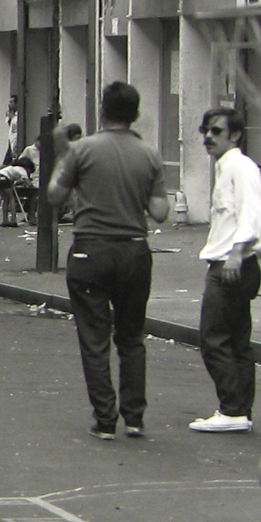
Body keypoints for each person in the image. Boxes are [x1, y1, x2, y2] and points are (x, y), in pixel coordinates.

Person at [43, 81, 171, 440]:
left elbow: (55, 195)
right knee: (131, 337)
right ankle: (134, 417)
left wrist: (61, 154)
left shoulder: (82, 150)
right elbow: (160, 211)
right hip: (134, 250)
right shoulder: (149, 154)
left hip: (90, 249)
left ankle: (105, 418)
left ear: (102, 109)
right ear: (136, 113)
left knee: (94, 338)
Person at [190, 106, 261, 434]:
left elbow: (251, 210)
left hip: (230, 263)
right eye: (205, 130)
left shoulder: (239, 166)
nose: (208, 137)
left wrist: (237, 252)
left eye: (216, 131)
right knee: (237, 341)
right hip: (236, 262)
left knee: (214, 338)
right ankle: (240, 410)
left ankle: (233, 408)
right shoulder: (228, 167)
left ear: (234, 134)